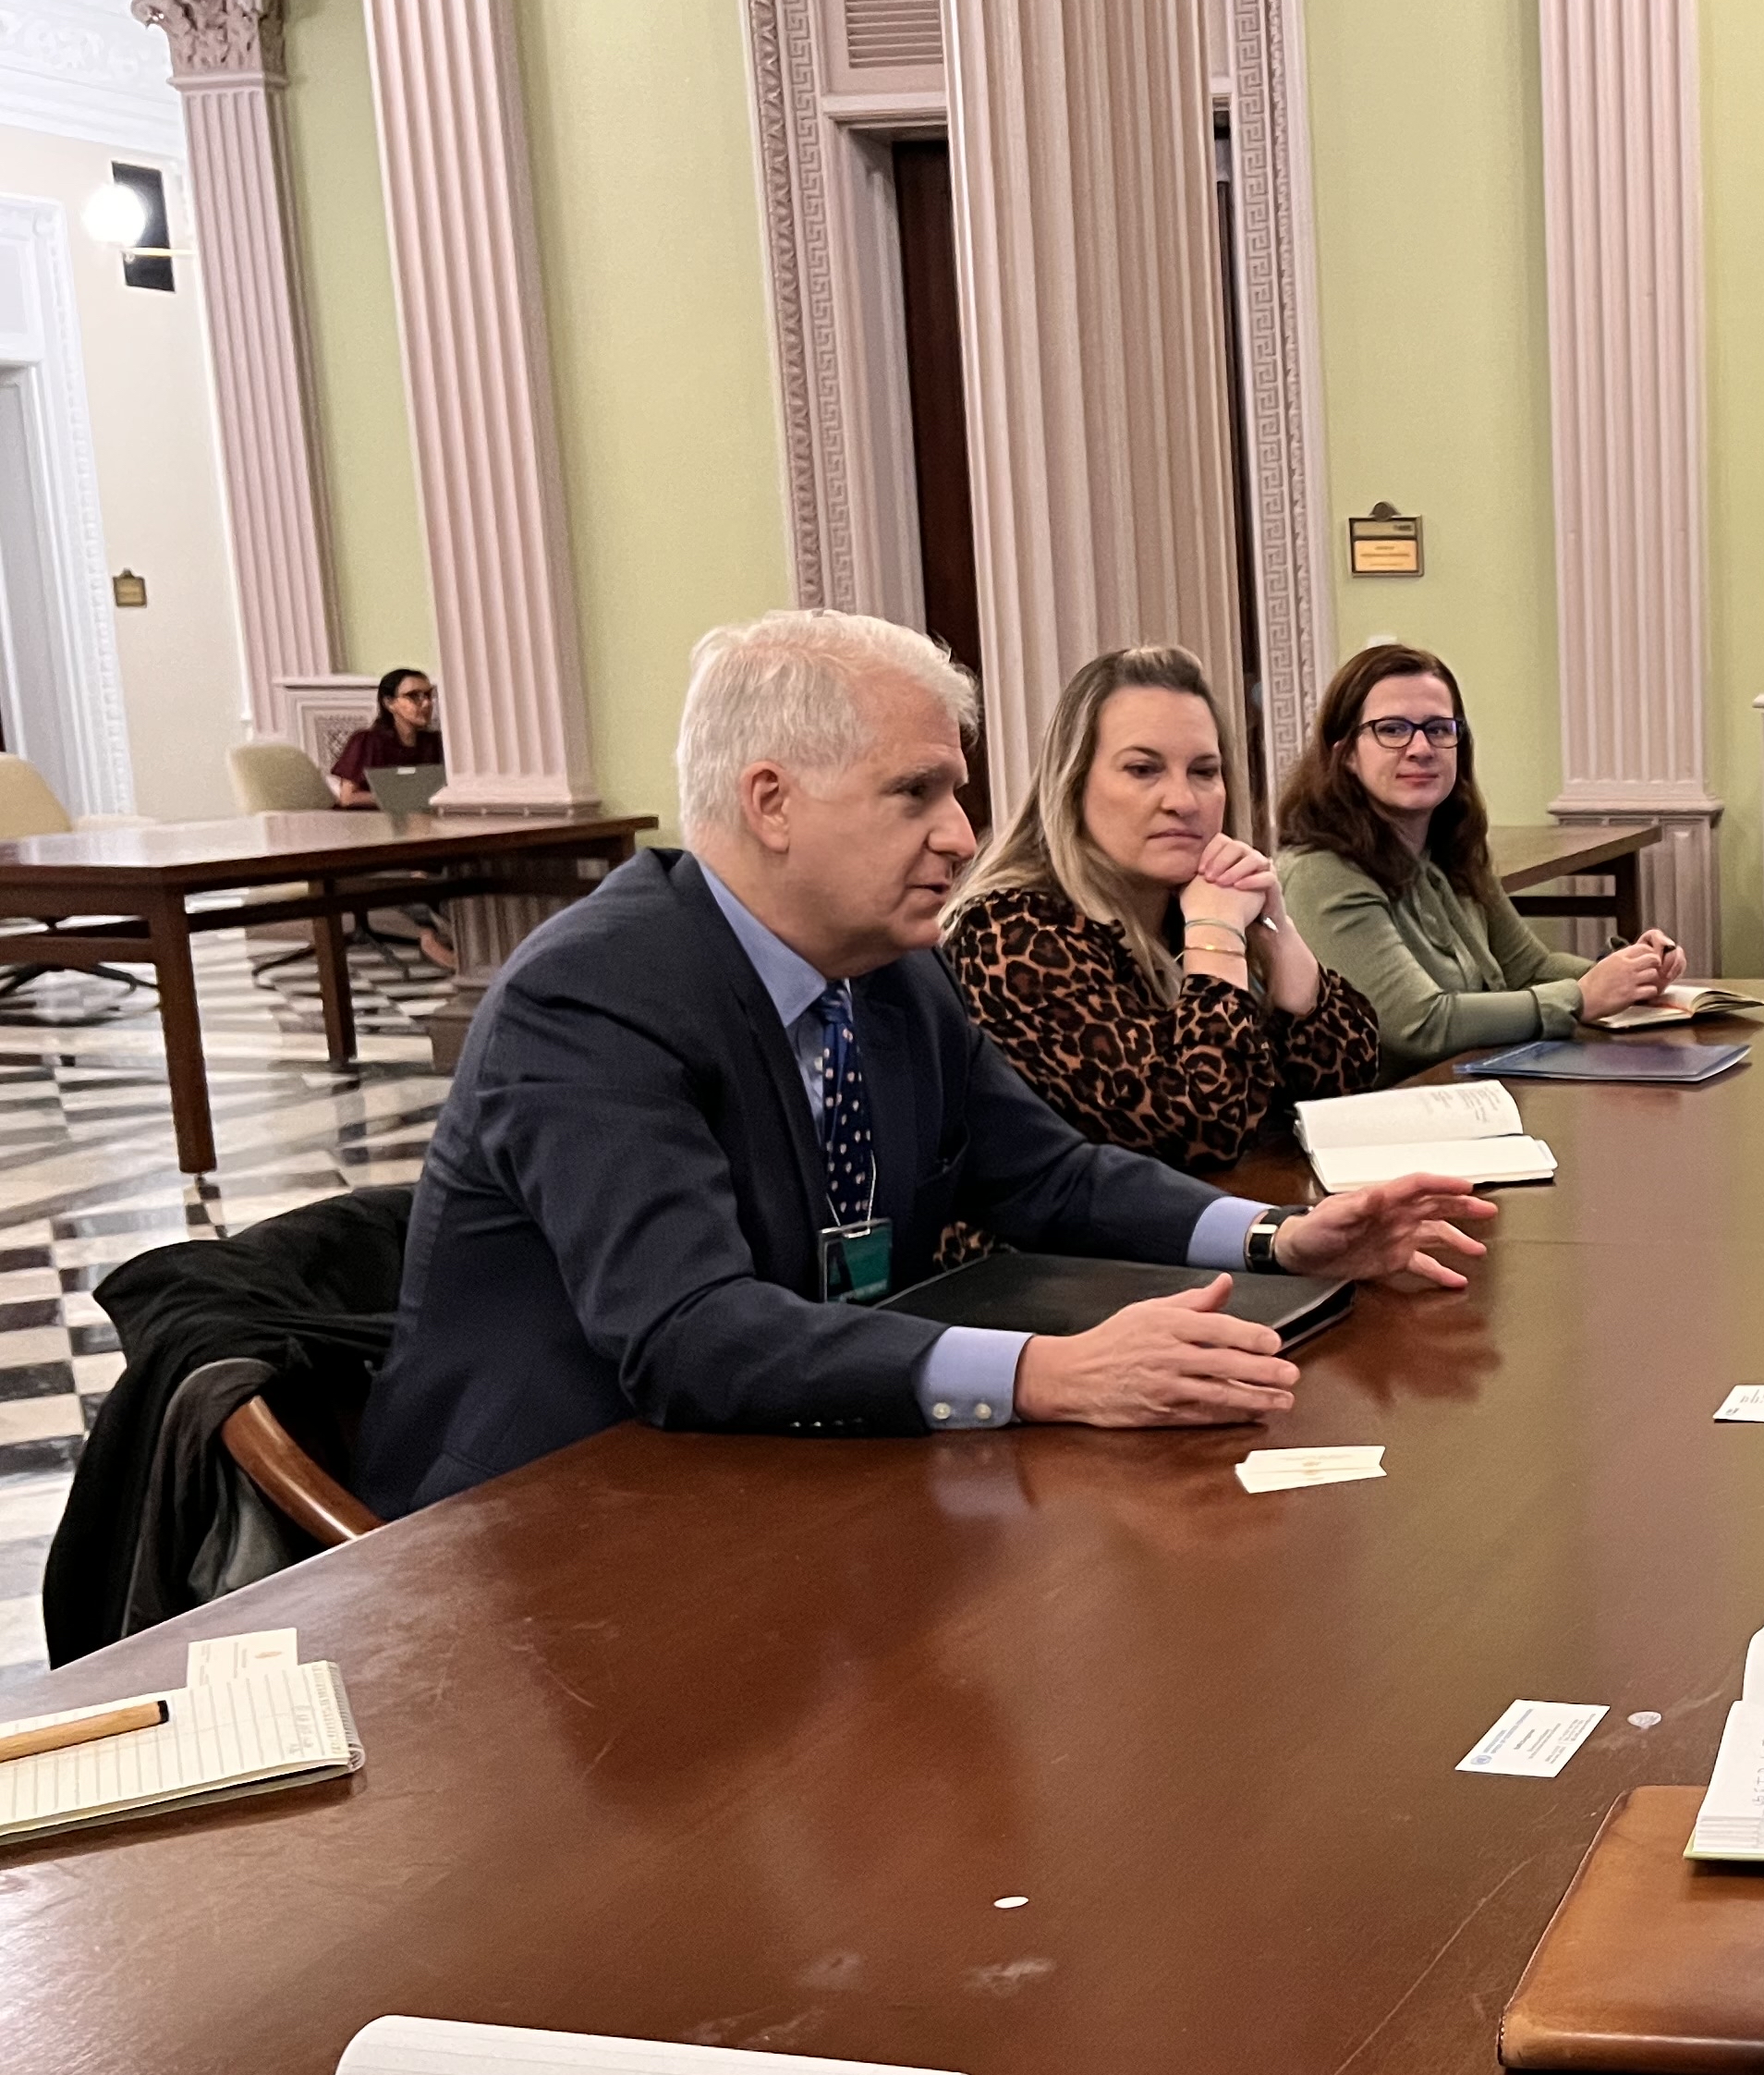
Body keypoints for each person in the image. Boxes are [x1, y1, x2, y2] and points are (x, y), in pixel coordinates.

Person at [358, 610, 1491, 1517]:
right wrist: (1050, 1374)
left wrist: (1277, 1240)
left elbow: (1049, 1175)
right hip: (549, 1525)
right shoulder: (597, 995)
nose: (961, 832)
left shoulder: (886, 970)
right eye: (916, 793)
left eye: (954, 789)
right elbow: (688, 1334)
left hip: (791, 1470)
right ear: (771, 803)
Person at [941, 646, 1377, 1178]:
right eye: (1143, 769)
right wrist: (1215, 936)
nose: (1182, 799)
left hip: (1211, 1231)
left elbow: (1347, 1083)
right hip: (1054, 1260)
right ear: (1073, 783)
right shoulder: (1012, 931)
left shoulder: (1185, 901)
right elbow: (1197, 1130)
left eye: (1203, 771)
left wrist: (1276, 933)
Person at [1274, 643, 1685, 1080]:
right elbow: (1419, 1025)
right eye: (1392, 730)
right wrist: (1582, 997)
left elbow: (1530, 969)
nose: (1420, 748)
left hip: (1471, 1093)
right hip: (1381, 1121)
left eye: (1438, 729)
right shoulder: (1323, 872)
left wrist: (1630, 975)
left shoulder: (1453, 849)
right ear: (1347, 753)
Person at [330, 666, 439, 806]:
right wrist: (405, 798)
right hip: (369, 821)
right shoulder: (366, 741)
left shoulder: (435, 742)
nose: (426, 703)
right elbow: (348, 798)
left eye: (428, 695)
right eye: (414, 696)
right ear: (389, 703)